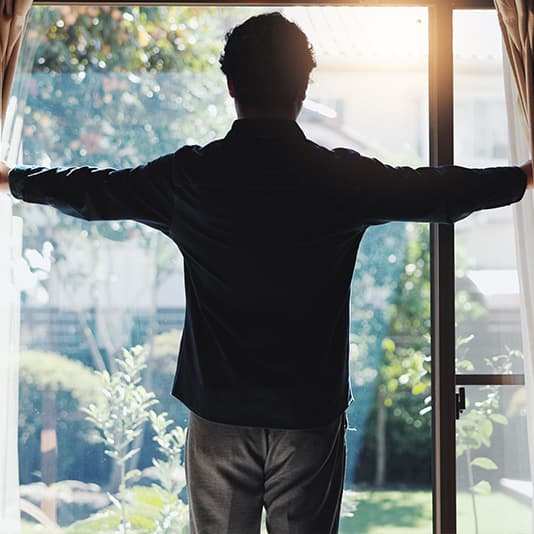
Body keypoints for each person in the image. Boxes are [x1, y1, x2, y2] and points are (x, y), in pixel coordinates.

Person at [0, 11, 532, 534]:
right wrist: (522, 177)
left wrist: (14, 180)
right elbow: (439, 190)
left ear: (230, 85)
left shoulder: (190, 178)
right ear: (303, 88)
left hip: (220, 409)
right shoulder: (340, 178)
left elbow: (93, 190)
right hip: (308, 411)